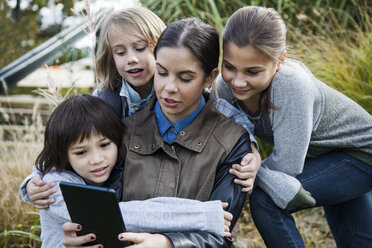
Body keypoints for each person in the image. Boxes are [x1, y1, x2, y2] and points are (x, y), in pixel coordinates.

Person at [60, 18, 252, 247]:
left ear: (210, 78)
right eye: (161, 72)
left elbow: (222, 233)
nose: (168, 87)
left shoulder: (232, 141)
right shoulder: (123, 130)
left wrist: (168, 244)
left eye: (185, 78)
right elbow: (104, 215)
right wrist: (84, 237)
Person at [214, 6, 372, 247]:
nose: (238, 80)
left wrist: (256, 165)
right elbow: (232, 149)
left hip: (360, 154)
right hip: (323, 157)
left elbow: (286, 167)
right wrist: (225, 213)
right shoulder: (225, 88)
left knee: (266, 199)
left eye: (252, 71)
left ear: (280, 61)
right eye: (230, 67)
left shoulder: (290, 85)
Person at [31, 94, 233, 247]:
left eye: (105, 145)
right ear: (64, 155)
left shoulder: (114, 168)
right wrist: (202, 215)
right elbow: (126, 215)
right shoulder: (53, 189)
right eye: (81, 152)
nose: (97, 159)